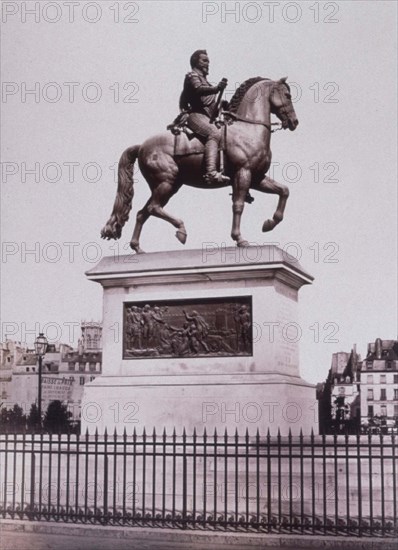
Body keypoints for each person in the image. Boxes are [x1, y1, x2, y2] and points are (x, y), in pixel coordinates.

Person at [179, 49, 230, 185]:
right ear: (196, 62)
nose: (208, 63)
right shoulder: (192, 76)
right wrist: (216, 88)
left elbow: (209, 102)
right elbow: (198, 90)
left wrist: (223, 104)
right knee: (214, 133)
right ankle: (211, 172)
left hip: (206, 116)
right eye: (204, 60)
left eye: (208, 61)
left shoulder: (205, 80)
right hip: (194, 115)